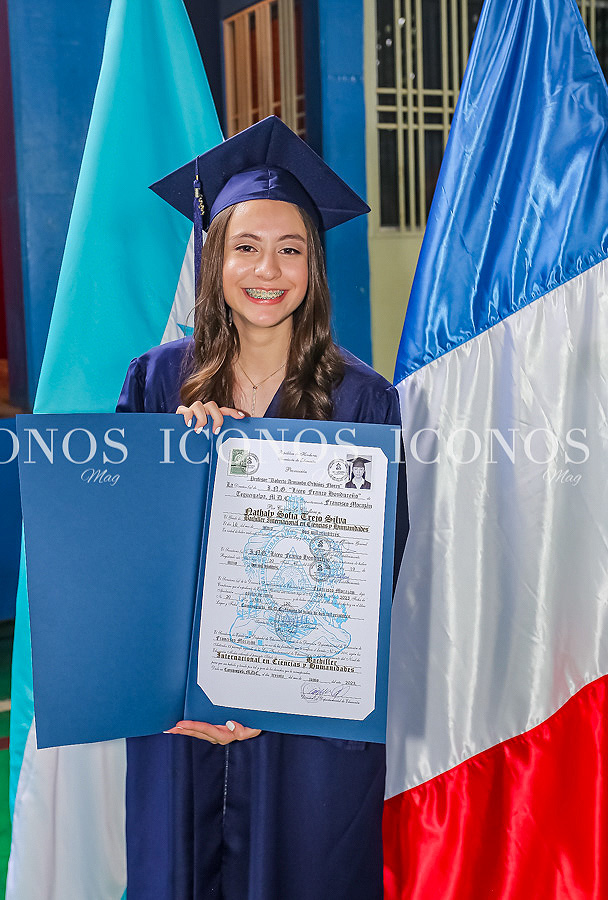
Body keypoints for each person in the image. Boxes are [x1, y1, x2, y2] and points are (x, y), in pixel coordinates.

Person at [117, 116, 403, 900]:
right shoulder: (157, 383)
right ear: (215, 259)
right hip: (182, 715)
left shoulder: (362, 399)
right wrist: (178, 466)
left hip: (307, 724)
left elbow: (375, 575)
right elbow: (123, 557)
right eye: (245, 246)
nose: (267, 270)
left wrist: (278, 693)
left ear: (315, 266)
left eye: (290, 249)